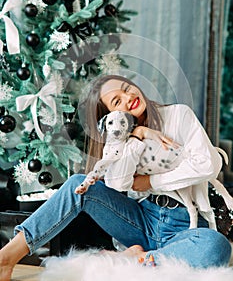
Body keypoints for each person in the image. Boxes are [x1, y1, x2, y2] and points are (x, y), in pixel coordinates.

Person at [0, 74, 232, 280]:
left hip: (187, 226)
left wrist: (150, 182)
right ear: (111, 116)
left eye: (126, 88)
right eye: (116, 101)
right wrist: (134, 135)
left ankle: (133, 260)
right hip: (143, 221)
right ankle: (7, 258)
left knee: (216, 246)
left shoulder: (178, 114)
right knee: (77, 185)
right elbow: (117, 184)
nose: (128, 97)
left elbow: (207, 165)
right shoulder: (121, 138)